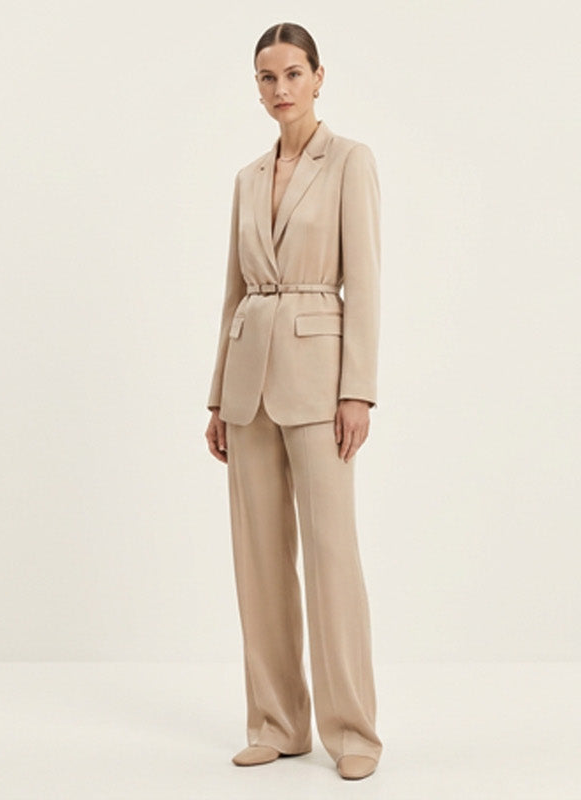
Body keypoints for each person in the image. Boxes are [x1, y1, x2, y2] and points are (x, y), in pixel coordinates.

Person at [202, 21, 384, 782]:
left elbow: (364, 281)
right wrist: (217, 396)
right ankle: (277, 723)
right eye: (267, 77)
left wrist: (357, 390)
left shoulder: (349, 161)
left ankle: (353, 732)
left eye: (293, 74)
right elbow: (234, 290)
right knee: (260, 561)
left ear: (318, 77)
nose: (281, 89)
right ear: (257, 87)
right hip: (248, 385)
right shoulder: (247, 178)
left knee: (332, 555)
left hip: (318, 381)